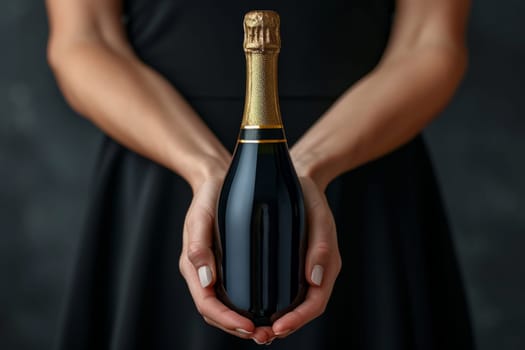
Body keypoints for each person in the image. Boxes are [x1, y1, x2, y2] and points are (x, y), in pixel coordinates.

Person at [46, 0, 474, 348]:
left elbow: (430, 42)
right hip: (161, 180)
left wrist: (306, 171)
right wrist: (208, 170)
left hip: (363, 175)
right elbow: (85, 40)